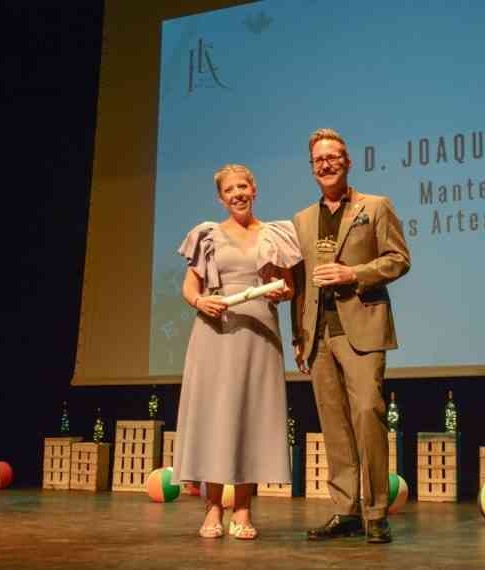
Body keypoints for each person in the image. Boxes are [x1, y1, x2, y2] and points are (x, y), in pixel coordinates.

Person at [291, 128, 411, 544]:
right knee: (335, 427)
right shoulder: (301, 220)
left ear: (347, 162)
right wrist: (298, 337)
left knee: (367, 417)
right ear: (312, 168)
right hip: (318, 335)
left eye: (333, 157)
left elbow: (399, 259)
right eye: (318, 160)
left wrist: (353, 274)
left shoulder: (374, 207)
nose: (326, 164)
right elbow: (301, 283)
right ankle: (346, 511)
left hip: (361, 329)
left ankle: (376, 512)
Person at [171, 164, 300, 540]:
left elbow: (289, 286)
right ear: (221, 197)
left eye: (243, 186)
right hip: (216, 332)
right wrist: (200, 302)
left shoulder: (275, 234)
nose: (237, 193)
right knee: (217, 416)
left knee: (250, 416)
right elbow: (190, 287)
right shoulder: (207, 235)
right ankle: (213, 508)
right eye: (230, 189)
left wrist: (283, 292)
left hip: (259, 333)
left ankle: (242, 509)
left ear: (254, 190)